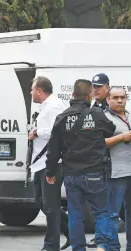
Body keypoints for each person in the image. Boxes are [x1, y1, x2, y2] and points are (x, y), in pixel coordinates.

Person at [45, 79, 116, 251]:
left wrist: (50, 171)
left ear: (72, 95)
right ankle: (103, 245)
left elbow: (53, 149)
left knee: (75, 215)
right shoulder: (97, 114)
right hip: (95, 172)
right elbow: (111, 129)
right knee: (101, 212)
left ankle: (78, 248)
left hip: (71, 175)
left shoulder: (62, 118)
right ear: (90, 95)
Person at [28, 76, 69, 251]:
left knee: (51, 206)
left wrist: (37, 132)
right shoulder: (45, 106)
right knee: (41, 201)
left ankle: (51, 245)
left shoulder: (54, 106)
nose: (31, 92)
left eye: (32, 89)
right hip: (39, 164)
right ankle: (72, 231)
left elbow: (58, 129)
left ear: (39, 90)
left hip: (51, 163)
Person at [104, 86, 131, 250]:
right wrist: (122, 137)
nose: (120, 100)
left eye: (123, 97)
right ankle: (113, 247)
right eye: (116, 97)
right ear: (108, 99)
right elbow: (100, 143)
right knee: (113, 214)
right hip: (115, 173)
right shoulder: (104, 118)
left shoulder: (129, 115)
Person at [87, 73, 110, 248]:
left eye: (99, 86)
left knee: (107, 204)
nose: (96, 89)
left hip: (108, 160)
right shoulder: (93, 106)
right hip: (96, 159)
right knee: (98, 203)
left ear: (107, 87)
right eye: (94, 86)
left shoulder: (109, 107)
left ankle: (104, 238)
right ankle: (101, 236)